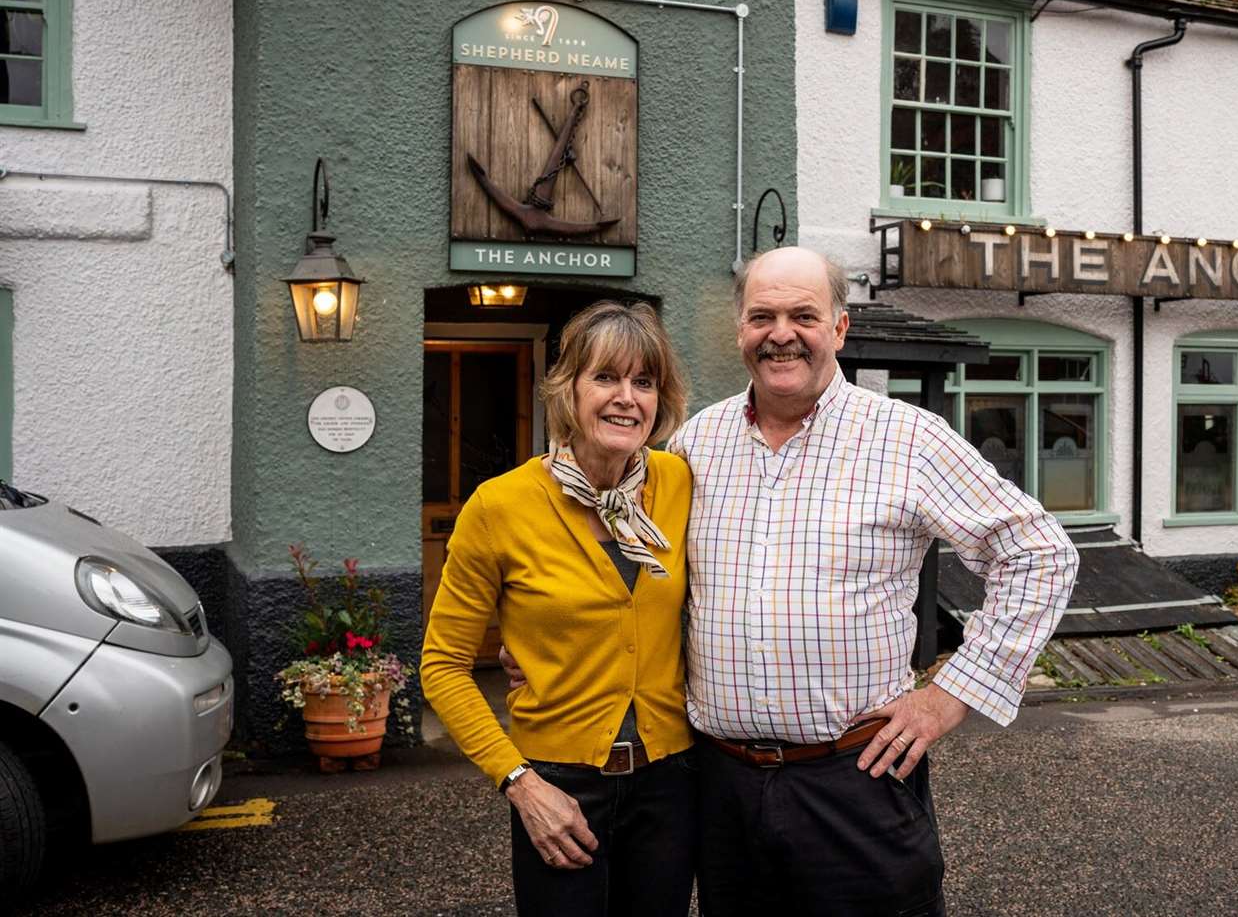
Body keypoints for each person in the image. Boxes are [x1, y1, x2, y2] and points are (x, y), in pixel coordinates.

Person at [676, 246, 1079, 915]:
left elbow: (1038, 555)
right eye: (762, 316)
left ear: (839, 328)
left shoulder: (909, 439)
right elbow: (651, 577)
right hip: (722, 789)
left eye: (803, 315)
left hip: (856, 782)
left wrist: (949, 697)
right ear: (739, 329)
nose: (781, 334)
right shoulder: (696, 442)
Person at [420, 299, 697, 917]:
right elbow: (441, 665)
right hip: (558, 783)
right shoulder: (501, 506)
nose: (627, 397)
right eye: (605, 377)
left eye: (643, 382)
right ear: (566, 390)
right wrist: (519, 783)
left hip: (669, 783)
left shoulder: (677, 484)